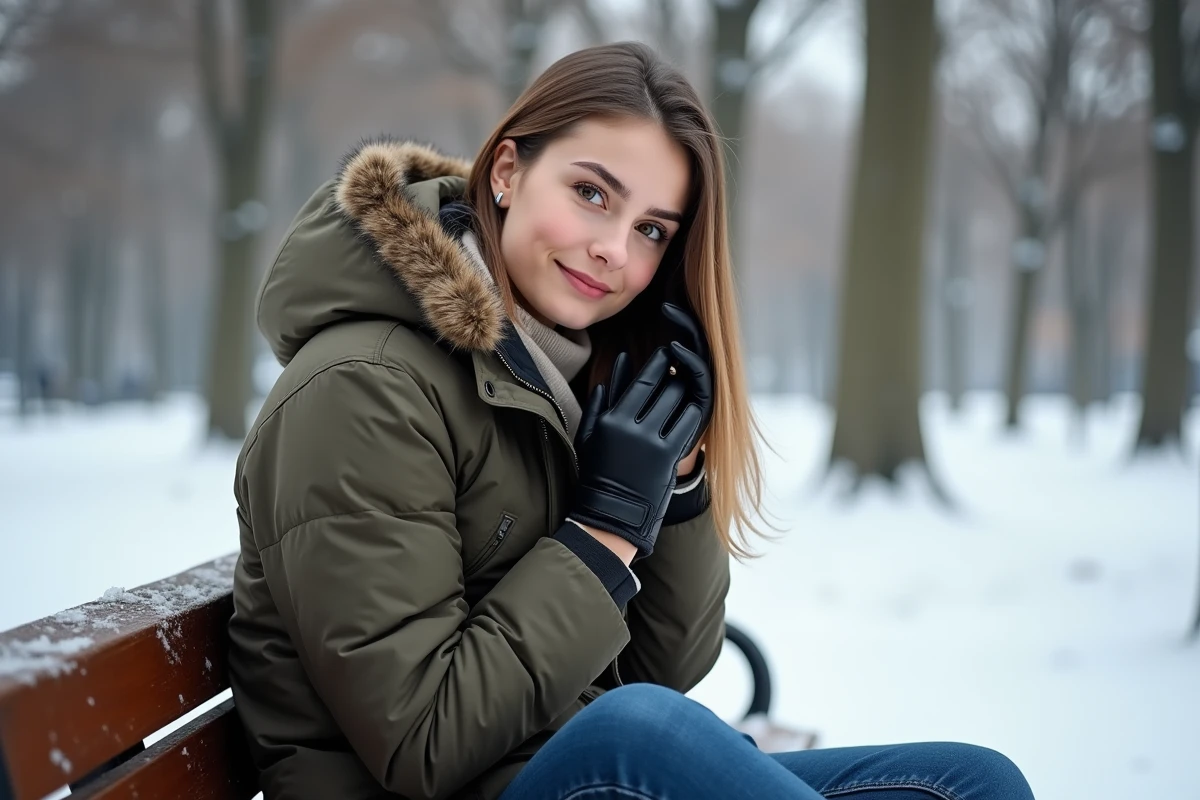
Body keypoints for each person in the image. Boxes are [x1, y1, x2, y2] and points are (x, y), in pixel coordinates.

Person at [227, 41, 1035, 800]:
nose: (615, 249)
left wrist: (672, 483)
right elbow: (421, 741)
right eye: (591, 194)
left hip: (566, 768)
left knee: (970, 783)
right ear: (507, 170)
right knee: (639, 735)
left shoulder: (559, 381)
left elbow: (663, 668)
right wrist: (605, 529)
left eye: (651, 230)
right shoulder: (364, 389)